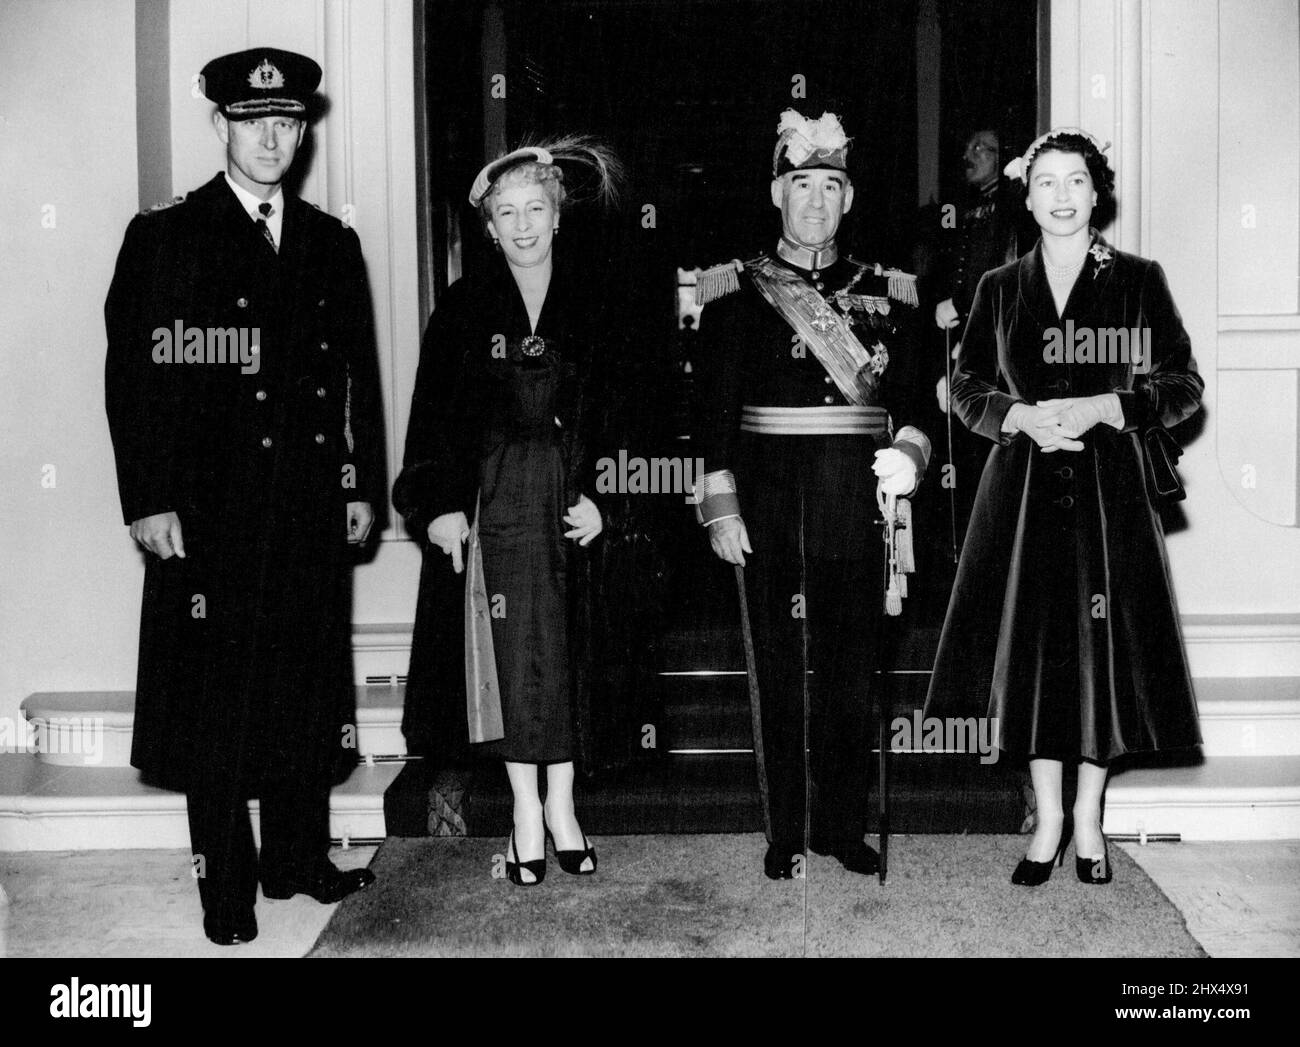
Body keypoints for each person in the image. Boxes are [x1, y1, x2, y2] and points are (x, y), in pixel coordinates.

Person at [104, 48, 385, 944]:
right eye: (254, 121)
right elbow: (133, 381)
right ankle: (224, 886)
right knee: (216, 702)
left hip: (305, 504)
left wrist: (359, 483)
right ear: (221, 124)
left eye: (288, 121)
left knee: (304, 686)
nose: (272, 138)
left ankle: (296, 858)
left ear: (303, 131)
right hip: (209, 511)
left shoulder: (329, 242)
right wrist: (149, 498)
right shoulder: (166, 236)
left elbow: (355, 377)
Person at [924, 129, 1204, 886]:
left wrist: (1107, 405)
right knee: (1036, 657)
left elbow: (1182, 386)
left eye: (1075, 180)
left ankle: (1088, 819)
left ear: (1096, 192)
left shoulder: (1137, 280)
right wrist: (1017, 416)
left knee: (1098, 658)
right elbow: (966, 387)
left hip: (1109, 500)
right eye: (1046, 181)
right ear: (1026, 196)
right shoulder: (998, 286)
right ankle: (1046, 819)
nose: (1061, 195)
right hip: (1021, 499)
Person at [693, 109, 931, 880]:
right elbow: (711, 414)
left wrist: (910, 454)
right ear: (777, 193)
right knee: (777, 666)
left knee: (851, 669)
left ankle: (841, 825)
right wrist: (720, 505)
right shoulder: (735, 291)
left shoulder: (891, 292)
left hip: (856, 501)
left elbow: (918, 405)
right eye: (802, 185)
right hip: (767, 500)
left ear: (849, 198)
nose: (817, 201)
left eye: (831, 186)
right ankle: (786, 829)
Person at [393, 138, 622, 886]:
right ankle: (525, 809)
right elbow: (429, 422)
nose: (523, 226)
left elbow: (634, 414)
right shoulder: (461, 309)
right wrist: (437, 506)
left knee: (564, 657)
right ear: (489, 228)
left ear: (558, 216)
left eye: (535, 209)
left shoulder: (598, 302)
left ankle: (564, 806)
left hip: (570, 507)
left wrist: (610, 499)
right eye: (507, 214)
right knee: (509, 660)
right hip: (491, 509)